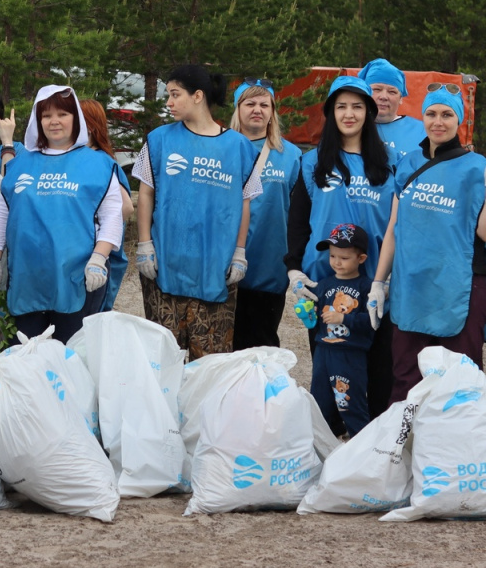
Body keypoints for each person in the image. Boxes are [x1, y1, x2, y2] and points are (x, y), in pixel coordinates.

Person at [370, 85, 486, 403]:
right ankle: (406, 435)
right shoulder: (408, 163)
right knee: (406, 379)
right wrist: (378, 282)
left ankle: (454, 436)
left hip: (458, 288)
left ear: (458, 120)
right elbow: (393, 228)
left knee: (458, 384)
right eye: (431, 114)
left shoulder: (476, 167)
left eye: (447, 114)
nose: (438, 121)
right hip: (410, 288)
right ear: (423, 117)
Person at [284, 75, 396, 419]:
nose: (349, 114)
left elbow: (399, 223)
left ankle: (372, 439)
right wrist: (294, 269)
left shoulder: (390, 162)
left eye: (357, 107)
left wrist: (388, 277)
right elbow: (298, 220)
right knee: (330, 374)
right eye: (341, 107)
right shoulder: (312, 162)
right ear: (331, 113)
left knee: (378, 371)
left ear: (369, 112)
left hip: (374, 284)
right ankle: (330, 438)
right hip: (325, 282)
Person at [132, 65, 260, 360]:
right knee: (165, 361)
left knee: (210, 365)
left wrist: (240, 252)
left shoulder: (239, 147)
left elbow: (245, 202)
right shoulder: (159, 139)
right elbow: (146, 192)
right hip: (165, 266)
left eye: (175, 94)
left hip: (215, 268)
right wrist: (144, 244)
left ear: (198, 96)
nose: (169, 102)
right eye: (168, 95)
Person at [0, 85, 123, 342]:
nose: (54, 121)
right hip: (27, 277)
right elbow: (2, 214)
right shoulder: (20, 164)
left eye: (62, 114)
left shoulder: (98, 164)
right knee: (26, 353)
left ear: (76, 118)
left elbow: (112, 216)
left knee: (71, 354)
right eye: (46, 115)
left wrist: (99, 258)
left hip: (78, 277)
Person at [228, 79, 302, 349]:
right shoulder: (222, 147)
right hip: (224, 262)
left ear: (272, 111)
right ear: (238, 109)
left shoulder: (291, 155)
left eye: (264, 104)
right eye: (250, 104)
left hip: (269, 265)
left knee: (262, 344)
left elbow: (299, 213)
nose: (257, 110)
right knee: (224, 345)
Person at [310, 223, 375, 438]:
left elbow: (372, 321)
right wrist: (308, 314)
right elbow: (316, 319)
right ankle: (320, 446)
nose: (337, 262)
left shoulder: (366, 287)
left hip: (350, 354)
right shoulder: (324, 284)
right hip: (323, 351)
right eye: (332, 256)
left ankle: (361, 445)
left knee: (350, 403)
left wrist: (344, 318)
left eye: (344, 258)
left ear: (361, 259)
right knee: (319, 402)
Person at [80, 98, 134, 312]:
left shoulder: (101, 160)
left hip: (99, 254)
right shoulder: (84, 157)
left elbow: (126, 207)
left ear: (90, 126)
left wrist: (98, 233)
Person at [357, 58, 426, 159]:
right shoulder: (352, 129)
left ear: (401, 98)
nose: (384, 97)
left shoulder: (422, 131)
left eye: (392, 92)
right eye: (377, 89)